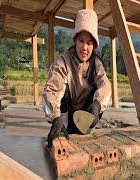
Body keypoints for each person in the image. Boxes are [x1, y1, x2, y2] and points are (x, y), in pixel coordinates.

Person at [42, 9, 111, 148]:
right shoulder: (63, 61)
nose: (85, 47)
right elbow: (51, 89)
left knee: (100, 94)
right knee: (62, 91)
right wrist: (55, 118)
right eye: (81, 41)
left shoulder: (96, 63)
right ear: (75, 40)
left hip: (87, 113)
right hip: (67, 112)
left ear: (94, 45)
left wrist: (97, 105)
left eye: (90, 43)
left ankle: (86, 130)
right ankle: (61, 127)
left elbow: (106, 86)